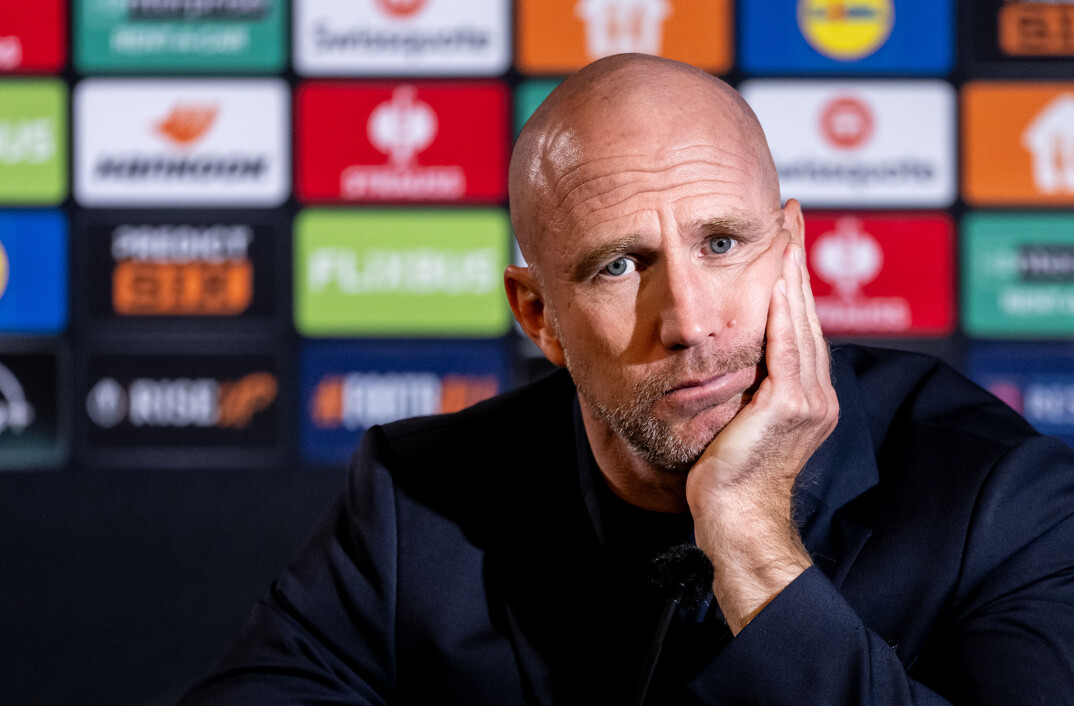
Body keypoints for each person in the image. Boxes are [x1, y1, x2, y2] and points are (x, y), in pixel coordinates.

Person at [178, 54, 1074, 704]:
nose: (689, 319)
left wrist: (754, 549)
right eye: (619, 266)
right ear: (539, 315)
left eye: (722, 243)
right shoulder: (418, 499)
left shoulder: (999, 498)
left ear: (790, 250)